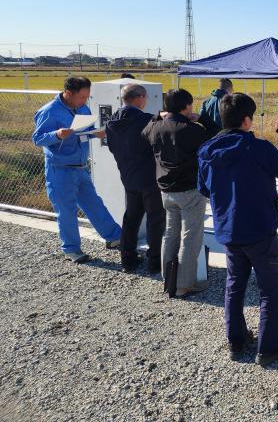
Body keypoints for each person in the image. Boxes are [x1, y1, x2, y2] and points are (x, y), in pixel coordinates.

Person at [198, 93, 278, 366]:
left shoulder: (207, 150)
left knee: (234, 284)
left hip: (228, 229)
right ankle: (269, 347)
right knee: (270, 288)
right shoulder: (258, 148)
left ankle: (236, 341)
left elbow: (203, 189)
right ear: (247, 120)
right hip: (260, 228)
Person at [32, 77, 122, 262]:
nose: (84, 101)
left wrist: (95, 133)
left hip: (80, 167)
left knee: (94, 203)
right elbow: (38, 139)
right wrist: (56, 134)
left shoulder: (83, 108)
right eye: (81, 97)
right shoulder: (49, 111)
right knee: (66, 210)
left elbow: (85, 131)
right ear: (68, 93)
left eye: (87, 97)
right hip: (60, 169)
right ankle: (72, 249)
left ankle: (114, 237)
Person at [142, 89, 213, 298]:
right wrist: (202, 119)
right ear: (187, 107)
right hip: (189, 190)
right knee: (190, 237)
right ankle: (183, 284)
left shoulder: (155, 127)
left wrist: (158, 115)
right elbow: (216, 133)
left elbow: (144, 131)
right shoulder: (193, 130)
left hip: (165, 190)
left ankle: (168, 279)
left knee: (170, 233)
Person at [105, 84, 165, 273]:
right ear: (139, 98)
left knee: (131, 217)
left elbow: (112, 147)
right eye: (145, 97)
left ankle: (127, 259)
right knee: (155, 218)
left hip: (128, 175)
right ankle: (155, 260)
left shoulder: (111, 121)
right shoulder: (147, 120)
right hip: (149, 177)